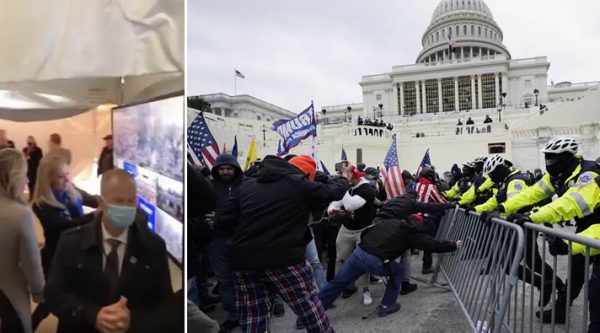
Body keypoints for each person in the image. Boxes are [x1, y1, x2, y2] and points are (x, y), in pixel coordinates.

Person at [216, 155, 350, 333]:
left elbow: (223, 220)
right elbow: (334, 191)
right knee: (307, 307)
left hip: (244, 261)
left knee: (253, 315)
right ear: (304, 174)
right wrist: (344, 176)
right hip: (284, 260)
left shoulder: (247, 185)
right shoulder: (297, 184)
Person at [45, 169, 174, 333]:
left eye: (131, 201)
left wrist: (132, 320)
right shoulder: (72, 242)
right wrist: (93, 315)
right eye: (118, 201)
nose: (126, 207)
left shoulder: (153, 246)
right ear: (102, 203)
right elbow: (54, 294)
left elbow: (165, 304)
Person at [488, 137, 600, 324]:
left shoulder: (588, 174)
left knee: (596, 288)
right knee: (576, 272)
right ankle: (561, 310)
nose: (549, 163)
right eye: (547, 158)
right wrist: (503, 207)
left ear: (566, 158)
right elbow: (530, 194)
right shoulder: (557, 175)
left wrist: (533, 217)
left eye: (552, 159)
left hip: (595, 223)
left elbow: (569, 203)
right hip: (586, 225)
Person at [318, 212, 460, 317]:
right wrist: (453, 245)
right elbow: (432, 245)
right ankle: (387, 305)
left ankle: (314, 310)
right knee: (398, 271)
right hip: (374, 260)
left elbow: (368, 230)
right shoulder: (415, 233)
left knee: (338, 282)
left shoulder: (393, 221)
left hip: (359, 252)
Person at [475, 155, 564, 306]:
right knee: (533, 262)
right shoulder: (506, 181)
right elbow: (494, 201)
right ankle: (559, 286)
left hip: (523, 227)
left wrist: (497, 213)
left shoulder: (516, 181)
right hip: (519, 227)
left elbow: (513, 204)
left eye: (492, 174)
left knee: (510, 265)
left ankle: (545, 284)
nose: (490, 177)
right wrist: (477, 209)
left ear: (500, 169)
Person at [30, 157, 99, 329]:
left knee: (71, 300)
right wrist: (94, 216)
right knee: (51, 302)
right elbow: (65, 227)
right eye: (61, 177)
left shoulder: (71, 190)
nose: (68, 180)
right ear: (49, 180)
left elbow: (91, 198)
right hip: (56, 258)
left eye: (68, 174)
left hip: (77, 254)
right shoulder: (42, 206)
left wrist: (105, 199)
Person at [0, 149, 45, 333]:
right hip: (10, 293)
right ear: (15, 176)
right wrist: (40, 294)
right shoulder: (20, 214)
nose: (27, 181)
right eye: (25, 175)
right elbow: (31, 264)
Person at [206, 153, 246, 332]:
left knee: (245, 279)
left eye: (228, 168)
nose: (225, 172)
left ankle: (249, 311)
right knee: (225, 281)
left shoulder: (246, 186)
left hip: (242, 239)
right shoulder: (209, 187)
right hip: (218, 241)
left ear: (235, 169)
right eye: (221, 169)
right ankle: (233, 314)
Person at [328, 165, 377, 305]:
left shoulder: (367, 189)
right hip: (347, 228)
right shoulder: (349, 186)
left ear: (355, 177)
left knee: (363, 261)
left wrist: (344, 186)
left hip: (363, 230)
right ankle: (348, 287)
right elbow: (336, 201)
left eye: (348, 178)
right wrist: (332, 209)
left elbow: (349, 206)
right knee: (341, 259)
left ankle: (365, 290)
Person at [415, 167, 448, 274]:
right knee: (428, 242)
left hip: (415, 217)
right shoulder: (430, 187)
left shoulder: (417, 185)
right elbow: (441, 201)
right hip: (427, 218)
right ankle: (427, 266)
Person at [23, 136, 43, 201]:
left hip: (36, 169)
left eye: (31, 142)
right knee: (30, 184)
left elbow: (41, 160)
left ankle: (37, 197)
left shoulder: (38, 149)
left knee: (36, 184)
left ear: (34, 142)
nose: (30, 144)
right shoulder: (25, 149)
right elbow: (22, 159)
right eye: (28, 142)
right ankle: (31, 197)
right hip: (28, 170)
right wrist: (28, 152)